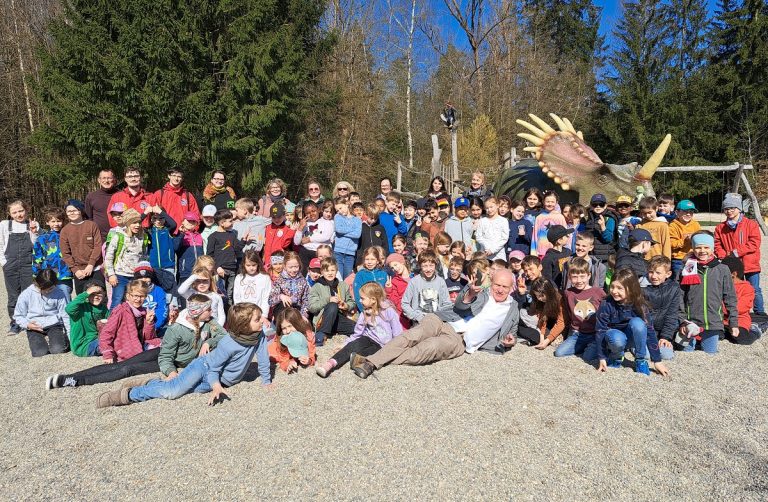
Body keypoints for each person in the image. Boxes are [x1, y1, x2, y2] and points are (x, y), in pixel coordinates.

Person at [95, 303, 272, 408]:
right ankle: (126, 395)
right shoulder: (228, 343)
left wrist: (266, 381)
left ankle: (151, 383)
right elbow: (214, 369)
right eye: (257, 319)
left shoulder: (259, 335)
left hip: (219, 381)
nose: (262, 320)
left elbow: (263, 358)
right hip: (204, 368)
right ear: (243, 325)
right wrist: (216, 387)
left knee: (182, 390)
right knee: (173, 392)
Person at [352, 269, 519, 378]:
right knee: (413, 335)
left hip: (460, 340)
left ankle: (372, 358)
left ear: (512, 287)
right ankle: (371, 363)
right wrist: (470, 294)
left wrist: (510, 340)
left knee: (426, 350)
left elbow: (512, 332)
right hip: (444, 319)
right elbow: (460, 304)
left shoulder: (512, 309)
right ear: (492, 283)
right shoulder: (481, 292)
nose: (500, 289)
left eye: (505, 286)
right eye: (497, 285)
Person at [316, 282, 403, 377]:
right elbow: (357, 333)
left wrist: (394, 348)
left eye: (362, 298)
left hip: (382, 345)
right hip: (367, 338)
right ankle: (330, 364)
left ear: (373, 299)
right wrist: (345, 345)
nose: (360, 301)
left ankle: (362, 366)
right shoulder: (364, 313)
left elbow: (397, 332)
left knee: (366, 354)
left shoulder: (388, 311)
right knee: (352, 346)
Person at [594, 268, 668, 376]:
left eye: (619, 288)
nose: (614, 291)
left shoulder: (639, 305)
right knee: (616, 338)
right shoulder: (606, 304)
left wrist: (657, 360)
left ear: (631, 289)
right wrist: (602, 357)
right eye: (612, 286)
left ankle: (640, 360)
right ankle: (616, 357)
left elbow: (650, 331)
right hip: (614, 339)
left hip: (632, 337)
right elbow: (600, 330)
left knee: (638, 323)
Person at [679, 231, 738, 354]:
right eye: (698, 247)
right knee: (686, 352)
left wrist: (733, 323)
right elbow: (680, 297)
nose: (702, 251)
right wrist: (682, 320)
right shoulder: (687, 268)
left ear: (712, 248)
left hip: (713, 322)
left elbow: (730, 297)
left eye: (706, 247)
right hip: (690, 322)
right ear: (693, 248)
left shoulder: (722, 269)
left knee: (710, 352)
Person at [714, 193, 764, 315]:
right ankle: (738, 312)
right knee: (735, 289)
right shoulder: (720, 228)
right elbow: (717, 244)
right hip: (733, 266)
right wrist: (724, 256)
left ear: (739, 209)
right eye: (726, 208)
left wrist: (735, 252)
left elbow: (754, 243)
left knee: (755, 289)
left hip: (750, 264)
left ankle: (759, 313)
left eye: (732, 208)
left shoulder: (750, 224)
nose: (729, 211)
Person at [553, 258, 606, 359]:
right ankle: (585, 347)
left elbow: (607, 312)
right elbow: (566, 315)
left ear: (589, 275)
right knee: (559, 353)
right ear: (569, 277)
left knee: (587, 357)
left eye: (582, 276)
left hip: (595, 334)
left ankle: (596, 346)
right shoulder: (568, 293)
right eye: (575, 277)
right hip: (578, 334)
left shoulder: (598, 292)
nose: (579, 280)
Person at [0, 200, 39, 335]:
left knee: (29, 293)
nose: (18, 214)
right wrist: (4, 262)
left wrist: (34, 232)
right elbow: (0, 244)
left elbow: (35, 245)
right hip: (10, 264)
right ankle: (15, 323)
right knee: (13, 295)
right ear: (10, 214)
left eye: (21, 211)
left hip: (28, 264)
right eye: (14, 212)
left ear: (26, 210)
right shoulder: (5, 225)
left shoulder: (32, 224)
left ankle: (30, 321)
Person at [99, 280, 160, 363]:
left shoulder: (144, 311)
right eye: (135, 296)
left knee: (164, 345)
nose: (138, 299)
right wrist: (107, 354)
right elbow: (106, 333)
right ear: (128, 296)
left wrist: (149, 323)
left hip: (140, 345)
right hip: (124, 348)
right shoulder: (120, 311)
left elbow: (149, 337)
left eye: (142, 296)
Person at [14, 269, 70, 357]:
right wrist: (27, 325)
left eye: (50, 289)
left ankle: (59, 339)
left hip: (53, 324)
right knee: (39, 352)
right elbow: (18, 315)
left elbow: (65, 315)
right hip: (34, 326)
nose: (47, 292)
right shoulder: (26, 294)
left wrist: (70, 336)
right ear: (37, 284)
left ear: (55, 284)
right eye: (43, 289)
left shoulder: (59, 293)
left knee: (58, 349)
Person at [59, 199, 104, 295]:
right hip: (79, 272)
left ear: (80, 210)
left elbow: (97, 246)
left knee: (99, 296)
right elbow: (65, 253)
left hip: (95, 268)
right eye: (69, 211)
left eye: (75, 210)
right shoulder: (65, 231)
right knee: (82, 300)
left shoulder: (91, 225)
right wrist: (75, 270)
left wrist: (91, 264)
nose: (72, 213)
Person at [309, 257, 356, 346]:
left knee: (356, 328)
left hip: (338, 318)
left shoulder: (342, 285)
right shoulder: (317, 286)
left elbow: (352, 302)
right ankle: (321, 334)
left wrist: (346, 306)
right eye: (327, 271)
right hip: (323, 319)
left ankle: (330, 331)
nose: (330, 273)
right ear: (322, 272)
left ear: (336, 271)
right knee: (332, 305)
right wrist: (327, 300)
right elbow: (312, 307)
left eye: (332, 270)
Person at [104, 208, 146, 308]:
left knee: (134, 302)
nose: (137, 225)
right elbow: (108, 257)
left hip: (135, 276)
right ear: (127, 223)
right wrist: (111, 274)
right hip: (120, 275)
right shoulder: (118, 237)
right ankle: (113, 322)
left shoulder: (142, 237)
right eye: (134, 223)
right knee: (117, 301)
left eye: (139, 223)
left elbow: (143, 256)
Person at [644, 256, 683, 361]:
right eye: (651, 272)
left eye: (658, 273)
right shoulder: (642, 287)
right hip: (645, 332)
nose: (654, 276)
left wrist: (665, 337)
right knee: (647, 355)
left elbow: (672, 314)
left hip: (662, 330)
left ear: (668, 274)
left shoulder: (673, 288)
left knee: (666, 355)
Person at [401, 250, 451, 325]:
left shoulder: (440, 282)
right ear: (420, 266)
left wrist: (441, 317)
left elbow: (447, 303)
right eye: (425, 266)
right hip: (419, 323)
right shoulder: (414, 282)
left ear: (435, 265)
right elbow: (404, 303)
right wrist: (417, 317)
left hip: (437, 322)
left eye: (431, 265)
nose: (428, 269)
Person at [515, 277, 566, 350]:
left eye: (541, 296)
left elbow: (561, 322)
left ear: (549, 292)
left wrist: (547, 341)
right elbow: (543, 318)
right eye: (537, 296)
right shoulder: (540, 301)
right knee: (539, 336)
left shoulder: (559, 299)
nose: (539, 298)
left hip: (559, 322)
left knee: (540, 336)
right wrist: (542, 337)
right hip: (546, 321)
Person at [721, 255, 762, 346]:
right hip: (722, 321)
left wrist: (720, 308)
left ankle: (755, 331)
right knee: (715, 335)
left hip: (740, 321)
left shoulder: (747, 288)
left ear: (733, 274)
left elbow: (739, 308)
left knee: (743, 339)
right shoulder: (722, 286)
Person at [206, 209, 245, 304]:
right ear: (222, 223)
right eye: (230, 221)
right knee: (220, 294)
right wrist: (217, 267)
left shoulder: (232, 235)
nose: (233, 223)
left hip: (232, 269)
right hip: (220, 270)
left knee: (230, 294)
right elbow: (209, 255)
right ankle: (221, 316)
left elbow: (237, 249)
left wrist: (244, 241)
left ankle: (229, 316)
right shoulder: (213, 237)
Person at [33, 207, 72, 298]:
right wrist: (36, 274)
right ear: (47, 222)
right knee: (50, 300)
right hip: (48, 276)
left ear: (63, 221)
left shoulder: (69, 235)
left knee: (65, 299)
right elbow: (37, 257)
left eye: (58, 221)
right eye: (53, 221)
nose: (56, 224)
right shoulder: (42, 238)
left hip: (65, 274)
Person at [65, 282, 109, 357]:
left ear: (104, 294)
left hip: (99, 339)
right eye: (92, 294)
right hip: (83, 345)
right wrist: (86, 293)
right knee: (109, 344)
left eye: (99, 293)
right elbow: (69, 308)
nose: (96, 297)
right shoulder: (80, 308)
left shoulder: (104, 309)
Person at [269, 307, 316, 374]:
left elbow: (312, 355)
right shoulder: (282, 339)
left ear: (297, 324)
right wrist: (289, 363)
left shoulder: (308, 336)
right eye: (284, 328)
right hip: (272, 353)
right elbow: (283, 360)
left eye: (290, 326)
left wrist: (309, 360)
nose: (288, 331)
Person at [153, 167, 200, 233]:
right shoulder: (159, 194)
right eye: (174, 175)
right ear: (169, 176)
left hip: (183, 233)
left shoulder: (188, 195)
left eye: (179, 176)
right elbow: (152, 215)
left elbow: (196, 215)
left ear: (182, 178)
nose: (176, 178)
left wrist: (193, 230)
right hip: (164, 232)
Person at [268, 250, 310, 319]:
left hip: (297, 312)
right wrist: (281, 296)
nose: (293, 270)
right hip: (282, 311)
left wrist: (303, 315)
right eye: (290, 267)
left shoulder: (303, 281)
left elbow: (306, 300)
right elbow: (270, 300)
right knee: (284, 306)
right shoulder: (280, 280)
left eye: (296, 267)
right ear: (284, 266)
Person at [293, 201, 334, 270]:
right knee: (304, 272)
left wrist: (309, 239)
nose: (311, 214)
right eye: (308, 213)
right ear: (305, 214)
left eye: (313, 211)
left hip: (321, 253)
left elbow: (326, 236)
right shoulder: (304, 224)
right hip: (306, 252)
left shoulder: (327, 222)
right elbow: (296, 242)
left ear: (318, 210)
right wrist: (300, 228)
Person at [232, 249, 271, 315]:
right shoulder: (239, 278)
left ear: (258, 264)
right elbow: (237, 297)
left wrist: (264, 315)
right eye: (248, 265)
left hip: (259, 314)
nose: (251, 268)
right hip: (243, 314)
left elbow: (266, 298)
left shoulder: (265, 278)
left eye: (253, 265)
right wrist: (241, 312)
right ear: (244, 264)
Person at [669, 199, 701, 278]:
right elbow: (672, 243)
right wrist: (685, 240)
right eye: (685, 211)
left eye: (691, 212)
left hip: (692, 257)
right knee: (678, 280)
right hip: (678, 259)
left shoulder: (696, 224)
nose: (688, 214)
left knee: (691, 280)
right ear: (677, 212)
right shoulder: (672, 226)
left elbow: (700, 239)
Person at [583, 193, 617, 263]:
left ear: (605, 206)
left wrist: (603, 227)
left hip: (605, 258)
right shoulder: (589, 218)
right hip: (591, 255)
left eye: (601, 204)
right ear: (591, 206)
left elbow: (608, 239)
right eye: (595, 204)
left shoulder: (609, 218)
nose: (598, 206)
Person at [531, 191, 567, 258]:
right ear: (543, 202)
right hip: (541, 252)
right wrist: (533, 253)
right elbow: (534, 236)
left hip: (556, 252)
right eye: (548, 201)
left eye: (552, 202)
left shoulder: (560, 217)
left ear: (556, 202)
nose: (550, 204)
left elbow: (565, 236)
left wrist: (564, 251)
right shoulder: (539, 217)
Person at [333, 197, 361, 279]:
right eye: (337, 210)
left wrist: (342, 233)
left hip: (350, 253)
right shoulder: (337, 217)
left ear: (347, 204)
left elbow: (357, 235)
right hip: (338, 251)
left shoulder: (357, 220)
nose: (340, 211)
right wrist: (353, 229)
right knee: (338, 277)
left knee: (347, 277)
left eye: (341, 208)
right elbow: (338, 229)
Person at [84, 169, 118, 239]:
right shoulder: (91, 197)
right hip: (99, 237)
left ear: (114, 180)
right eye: (104, 178)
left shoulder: (121, 195)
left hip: (119, 235)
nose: (106, 181)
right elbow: (89, 218)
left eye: (109, 178)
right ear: (99, 180)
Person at [352, 246, 388, 311]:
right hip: (367, 310)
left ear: (377, 261)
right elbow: (357, 295)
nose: (369, 262)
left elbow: (386, 293)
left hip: (382, 309)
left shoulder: (383, 274)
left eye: (372, 259)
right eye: (367, 259)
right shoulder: (360, 275)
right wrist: (364, 310)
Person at [475, 197, 509, 261]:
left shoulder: (503, 221)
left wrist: (493, 249)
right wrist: (486, 247)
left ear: (497, 205)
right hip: (485, 254)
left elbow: (504, 238)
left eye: (491, 207)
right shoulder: (482, 221)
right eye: (487, 208)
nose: (489, 210)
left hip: (498, 255)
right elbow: (478, 236)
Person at [541, 225, 574, 289]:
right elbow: (547, 279)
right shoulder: (548, 258)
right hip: (557, 291)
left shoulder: (568, 252)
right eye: (566, 236)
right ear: (559, 240)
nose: (568, 237)